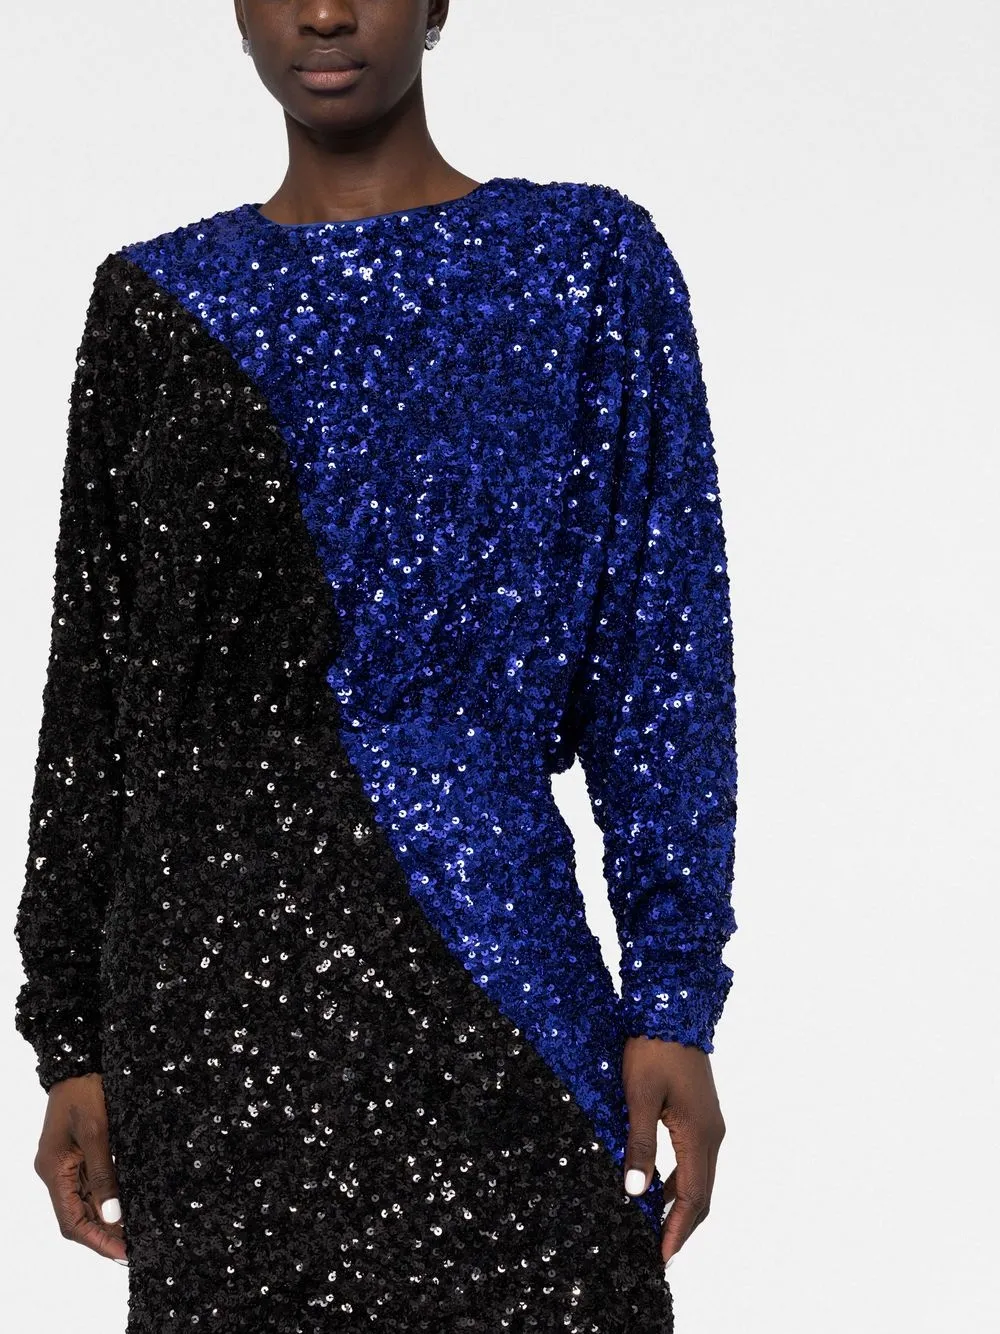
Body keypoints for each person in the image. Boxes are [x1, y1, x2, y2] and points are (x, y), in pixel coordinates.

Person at [13, 3, 738, 1330]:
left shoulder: (583, 264)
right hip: (209, 1024)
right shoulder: (153, 305)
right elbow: (97, 705)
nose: (325, 10)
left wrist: (674, 997)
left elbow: (660, 654)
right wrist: (70, 1038)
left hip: (496, 970)